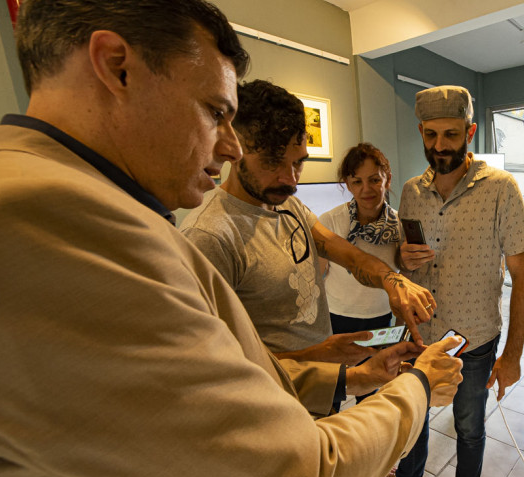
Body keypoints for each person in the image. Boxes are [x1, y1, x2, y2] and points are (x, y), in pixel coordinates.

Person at [0, 1, 464, 477]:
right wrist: (416, 386)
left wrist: (350, 371)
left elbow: (219, 377)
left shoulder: (118, 208)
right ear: (117, 66)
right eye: (214, 112)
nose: (230, 147)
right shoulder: (40, 221)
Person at [364, 85, 524, 477]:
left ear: (470, 132)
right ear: (421, 131)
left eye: (451, 135)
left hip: (473, 339)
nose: (440, 145)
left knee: (469, 428)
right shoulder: (410, 191)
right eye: (431, 135)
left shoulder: (501, 188)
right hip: (420, 334)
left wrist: (513, 355)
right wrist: (404, 258)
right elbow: (405, 264)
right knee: (414, 416)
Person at [181, 80, 435, 374]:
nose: (291, 180)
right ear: (232, 149)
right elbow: (212, 363)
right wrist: (316, 355)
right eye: (273, 162)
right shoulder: (209, 236)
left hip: (320, 385)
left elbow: (350, 257)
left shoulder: (287, 205)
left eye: (298, 163)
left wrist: (393, 282)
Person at [319, 143, 401, 410]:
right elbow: (317, 275)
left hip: (379, 321)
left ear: (387, 179)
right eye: (357, 181)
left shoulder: (400, 226)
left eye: (374, 179)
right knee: (332, 390)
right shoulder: (330, 222)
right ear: (348, 184)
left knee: (372, 392)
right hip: (337, 319)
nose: (367, 189)